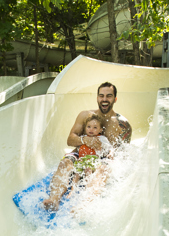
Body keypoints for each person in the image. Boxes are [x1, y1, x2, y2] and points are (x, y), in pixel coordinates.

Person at [41, 81, 132, 211]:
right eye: (101, 96)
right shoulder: (85, 116)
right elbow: (70, 140)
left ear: (115, 99)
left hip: (100, 160)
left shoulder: (122, 124)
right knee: (65, 163)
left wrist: (109, 158)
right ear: (97, 98)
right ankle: (54, 200)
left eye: (109, 96)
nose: (104, 99)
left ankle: (83, 206)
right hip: (80, 155)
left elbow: (123, 154)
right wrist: (84, 140)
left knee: (102, 170)